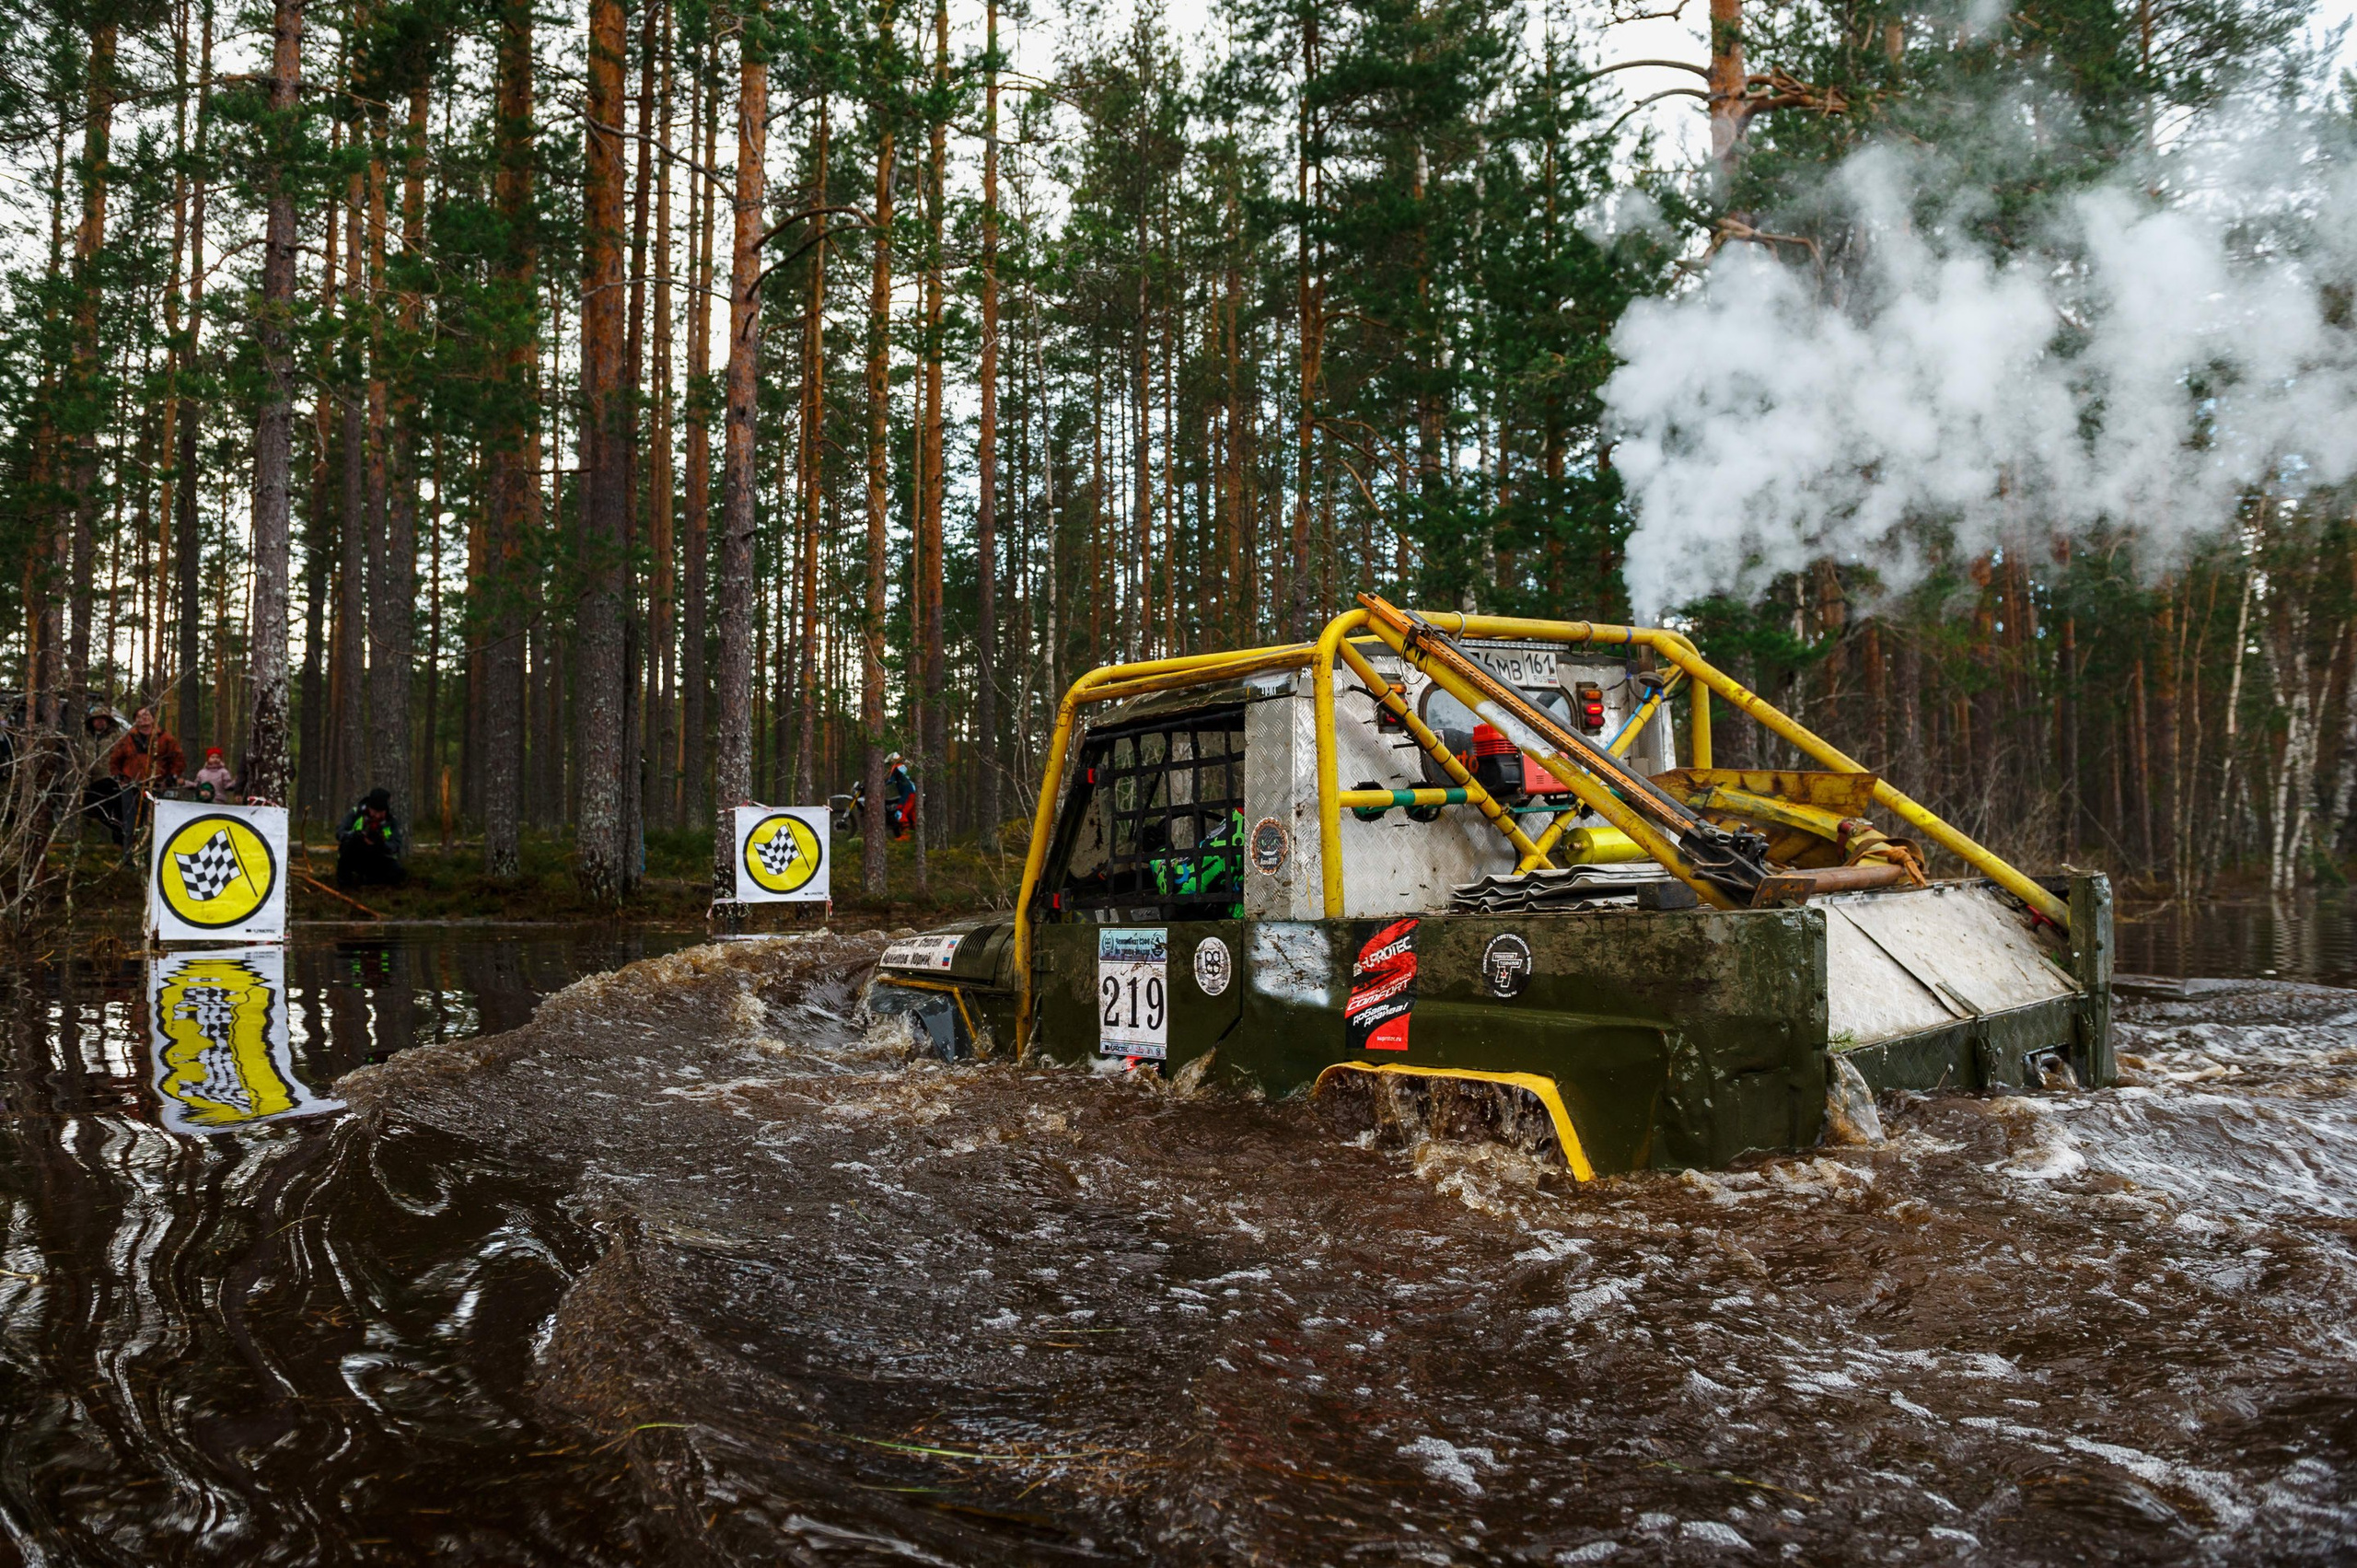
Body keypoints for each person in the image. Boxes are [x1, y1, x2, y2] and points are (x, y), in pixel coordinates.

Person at [99, 707, 185, 850]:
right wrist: (118, 776)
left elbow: (178, 758)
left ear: (153, 718)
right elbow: (115, 759)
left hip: (155, 786)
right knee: (130, 822)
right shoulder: (127, 739)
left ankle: (151, 856)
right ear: (135, 720)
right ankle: (129, 856)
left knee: (153, 821)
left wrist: (172, 776)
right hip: (131, 785)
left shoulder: (165, 738)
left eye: (147, 715)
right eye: (140, 715)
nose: (144, 718)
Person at [336, 787, 408, 889]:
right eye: (374, 812)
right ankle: (345, 882)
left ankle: (371, 881)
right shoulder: (356, 813)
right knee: (349, 844)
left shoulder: (391, 821)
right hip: (356, 855)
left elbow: (396, 844)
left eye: (381, 812)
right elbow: (340, 832)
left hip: (378, 857)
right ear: (369, 807)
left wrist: (381, 844)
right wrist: (356, 835)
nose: (377, 816)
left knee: (398, 873)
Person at [885, 753, 918, 840]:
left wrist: (880, 784)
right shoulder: (904, 767)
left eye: (889, 763)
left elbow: (890, 780)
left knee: (900, 812)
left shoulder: (897, 767)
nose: (889, 766)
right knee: (911, 814)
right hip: (913, 792)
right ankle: (916, 836)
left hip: (907, 793)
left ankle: (906, 836)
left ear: (893, 761)